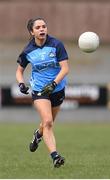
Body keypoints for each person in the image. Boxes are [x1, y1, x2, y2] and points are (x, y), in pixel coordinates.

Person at [16, 17, 69, 168]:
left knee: (47, 124)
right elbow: (19, 71)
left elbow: (65, 69)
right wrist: (21, 83)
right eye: (38, 27)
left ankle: (37, 135)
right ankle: (55, 157)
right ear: (32, 32)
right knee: (48, 122)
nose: (42, 29)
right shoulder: (28, 51)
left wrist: (54, 84)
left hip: (57, 89)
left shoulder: (56, 45)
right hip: (39, 90)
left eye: (44, 26)